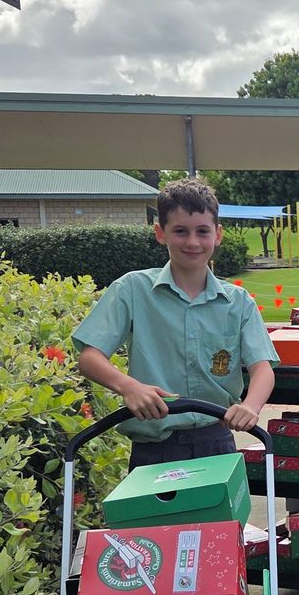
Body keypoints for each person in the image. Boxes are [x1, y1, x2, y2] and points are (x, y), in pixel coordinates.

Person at [73, 176, 278, 470]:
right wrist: (129, 387)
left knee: (219, 504)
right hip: (153, 449)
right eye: (180, 231)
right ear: (160, 233)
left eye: (202, 231)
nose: (192, 242)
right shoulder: (132, 290)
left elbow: (262, 368)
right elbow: (89, 357)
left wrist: (250, 406)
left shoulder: (238, 302)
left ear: (218, 234)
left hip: (216, 442)